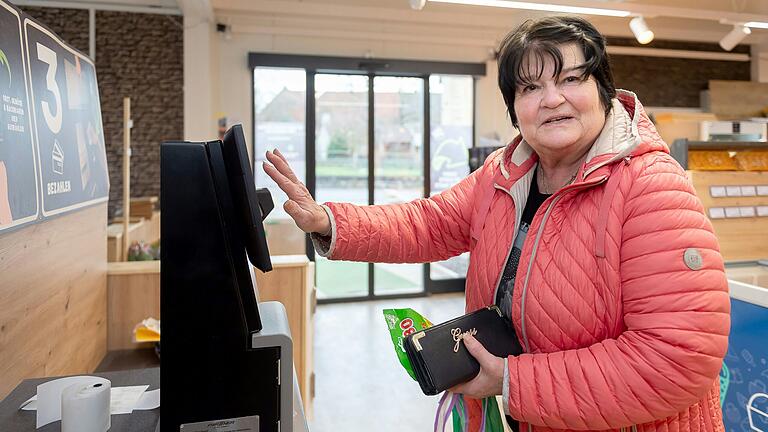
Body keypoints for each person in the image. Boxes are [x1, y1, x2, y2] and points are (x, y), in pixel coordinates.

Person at [263, 15, 730, 432]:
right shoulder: (506, 175)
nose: (551, 100)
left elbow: (677, 357)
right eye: (529, 88)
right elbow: (430, 222)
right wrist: (329, 220)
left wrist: (512, 380)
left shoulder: (650, 186)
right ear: (514, 108)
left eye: (570, 78)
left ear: (602, 90)